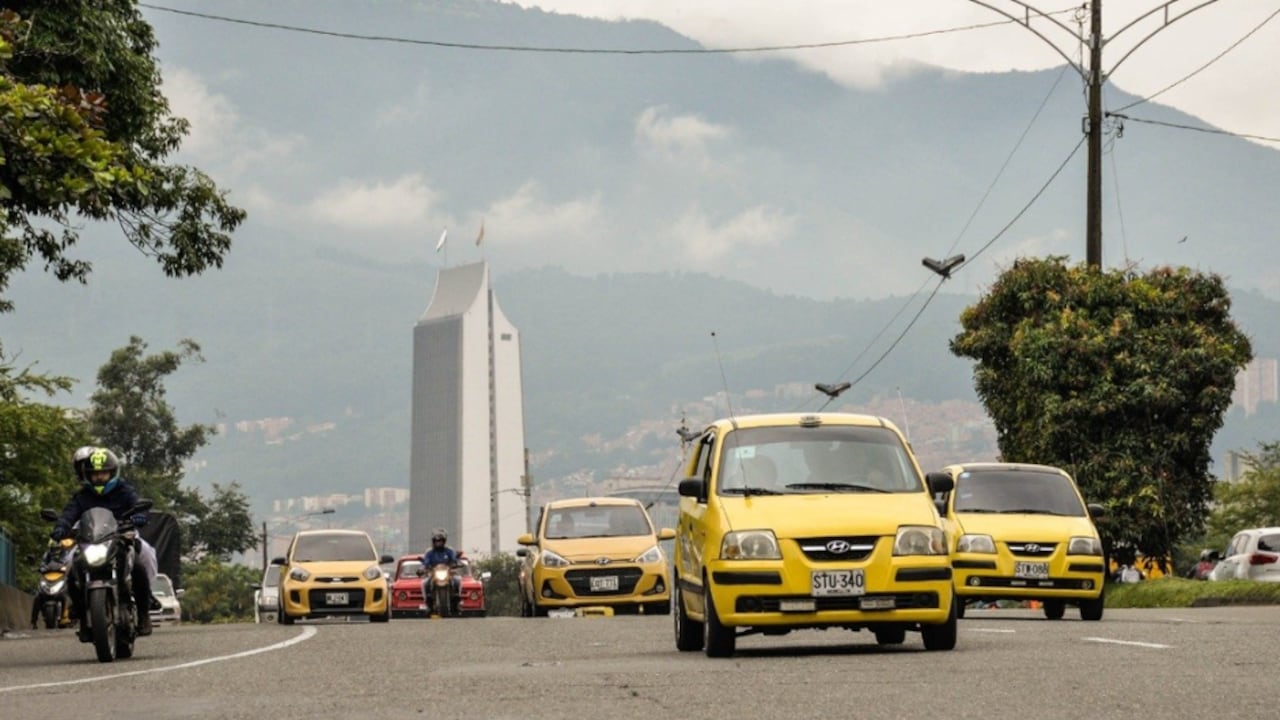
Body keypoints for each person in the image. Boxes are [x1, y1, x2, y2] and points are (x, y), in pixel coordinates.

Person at [51, 447, 156, 637]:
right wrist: (61, 527)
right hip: (90, 540)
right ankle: (82, 615)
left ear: (112, 473)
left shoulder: (124, 490)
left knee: (144, 558)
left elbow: (137, 504)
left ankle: (144, 612)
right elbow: (69, 514)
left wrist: (140, 515)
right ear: (87, 475)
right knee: (70, 568)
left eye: (103, 473)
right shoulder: (82, 496)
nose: (99, 478)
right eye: (95, 474)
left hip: (122, 536)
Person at [419, 529, 460, 615]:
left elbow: (454, 560)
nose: (438, 543)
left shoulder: (449, 550)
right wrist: (422, 569)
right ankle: (428, 604)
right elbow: (425, 563)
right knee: (424, 583)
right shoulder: (429, 552)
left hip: (448, 573)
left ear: (444, 541)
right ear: (433, 541)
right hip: (433, 574)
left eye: (440, 541)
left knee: (458, 580)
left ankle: (457, 602)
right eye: (436, 541)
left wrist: (456, 563)